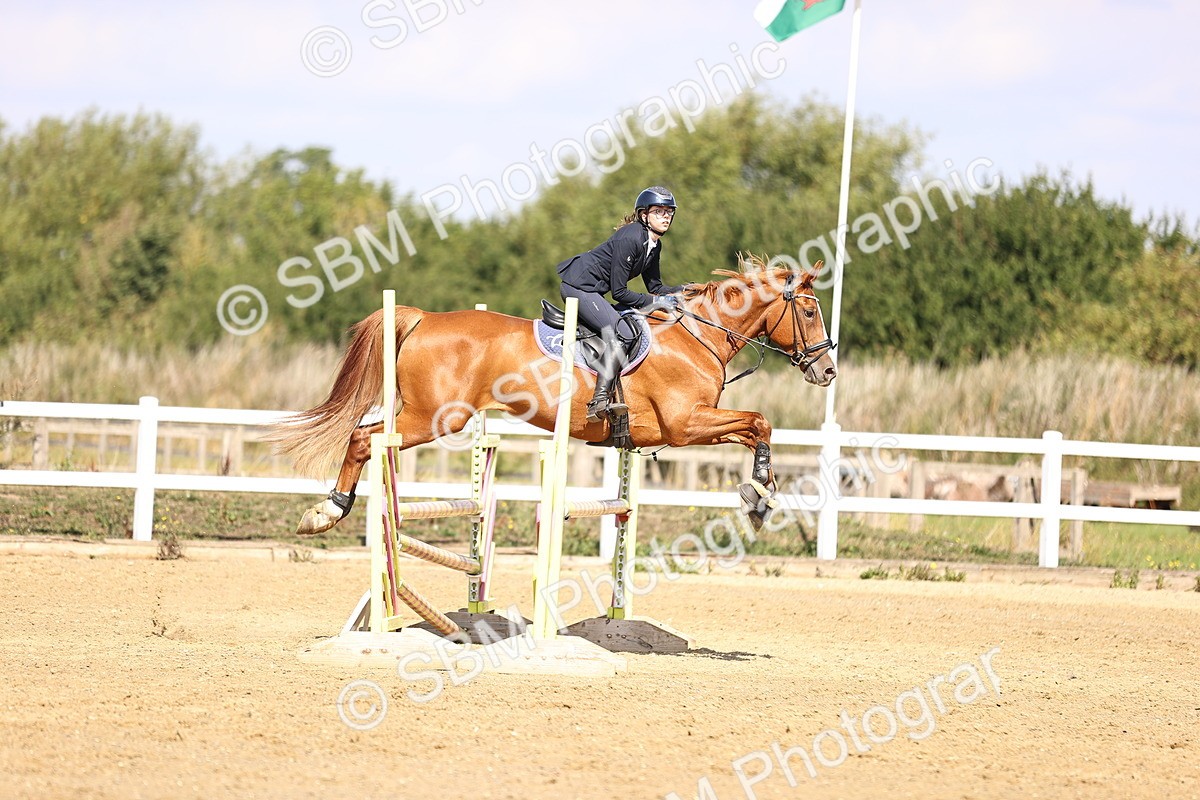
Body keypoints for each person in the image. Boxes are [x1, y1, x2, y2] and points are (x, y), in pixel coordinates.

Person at [556, 186, 687, 423]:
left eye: (669, 212)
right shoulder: (631, 237)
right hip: (579, 287)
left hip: (594, 291)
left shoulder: (654, 244)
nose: (666, 216)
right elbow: (619, 293)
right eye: (659, 211)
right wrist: (657, 302)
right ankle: (599, 400)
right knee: (624, 332)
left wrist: (687, 291)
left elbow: (655, 287)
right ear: (644, 215)